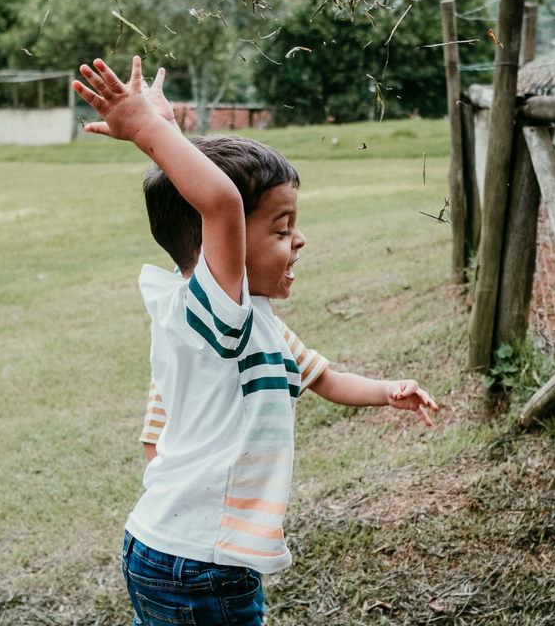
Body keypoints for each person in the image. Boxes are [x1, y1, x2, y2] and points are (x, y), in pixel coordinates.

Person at [73, 56, 438, 626]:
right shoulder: (214, 317)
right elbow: (216, 201)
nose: (299, 241)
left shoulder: (253, 323)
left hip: (188, 554)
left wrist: (388, 390)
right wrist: (149, 130)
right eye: (281, 227)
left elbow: (323, 378)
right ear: (224, 242)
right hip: (199, 563)